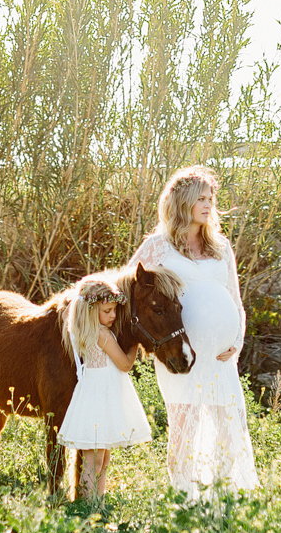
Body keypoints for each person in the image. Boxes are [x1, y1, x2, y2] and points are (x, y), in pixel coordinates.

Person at [128, 165, 260, 496]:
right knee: (184, 427)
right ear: (183, 202)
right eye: (200, 198)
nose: (207, 205)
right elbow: (128, 289)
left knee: (231, 427)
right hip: (180, 355)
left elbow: (236, 300)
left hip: (220, 357)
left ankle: (225, 498)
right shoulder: (158, 247)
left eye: (210, 198)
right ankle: (185, 499)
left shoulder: (221, 248)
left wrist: (237, 340)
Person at [59, 272, 153, 501]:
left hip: (99, 394)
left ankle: (96, 502)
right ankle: (88, 504)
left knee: (102, 455)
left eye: (114, 310)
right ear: (91, 311)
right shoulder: (102, 335)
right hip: (100, 396)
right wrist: (134, 343)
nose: (113, 316)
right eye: (107, 311)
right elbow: (124, 364)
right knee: (94, 458)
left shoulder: (94, 331)